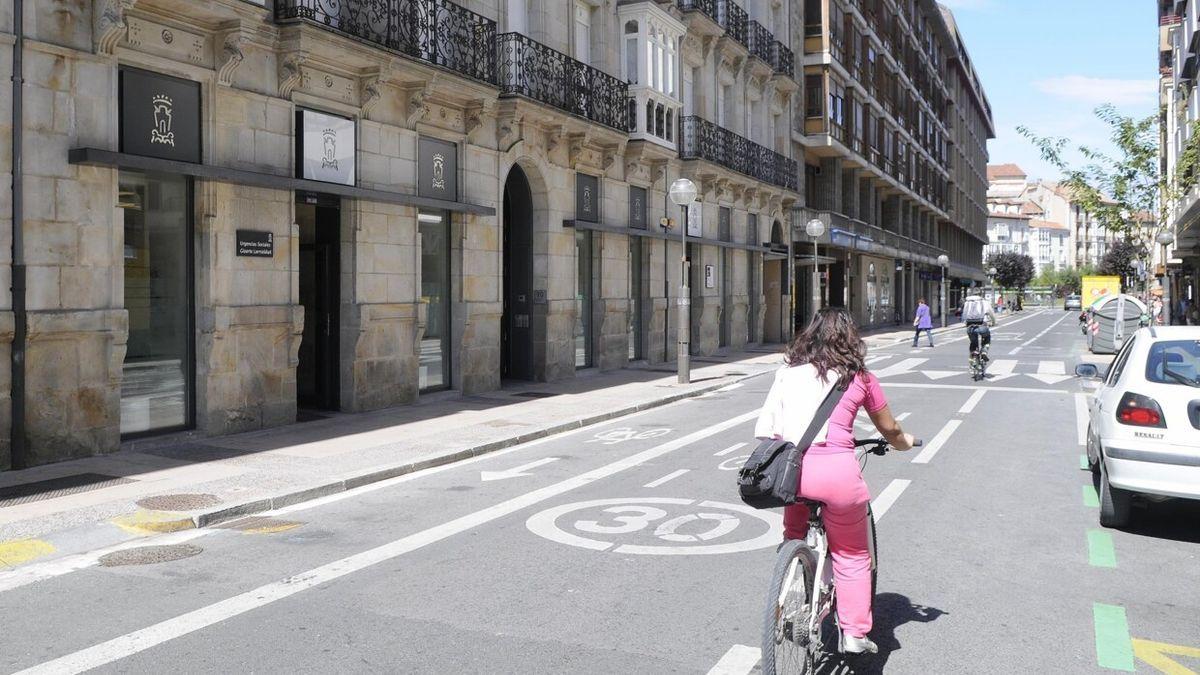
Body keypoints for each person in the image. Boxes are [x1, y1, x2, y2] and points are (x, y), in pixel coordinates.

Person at [755, 308, 916, 655]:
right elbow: (890, 429)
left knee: (793, 535)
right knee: (853, 553)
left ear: (808, 336)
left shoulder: (787, 373)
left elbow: (767, 429)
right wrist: (905, 442)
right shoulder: (859, 377)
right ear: (850, 339)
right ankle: (855, 633)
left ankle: (790, 588)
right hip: (836, 474)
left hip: (791, 473)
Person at [961, 293, 996, 361]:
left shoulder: (967, 303)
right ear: (980, 295)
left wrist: (965, 323)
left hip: (970, 327)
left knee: (973, 341)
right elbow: (991, 313)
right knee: (987, 338)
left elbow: (964, 315)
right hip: (982, 325)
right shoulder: (984, 302)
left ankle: (974, 353)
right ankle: (984, 352)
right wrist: (994, 322)